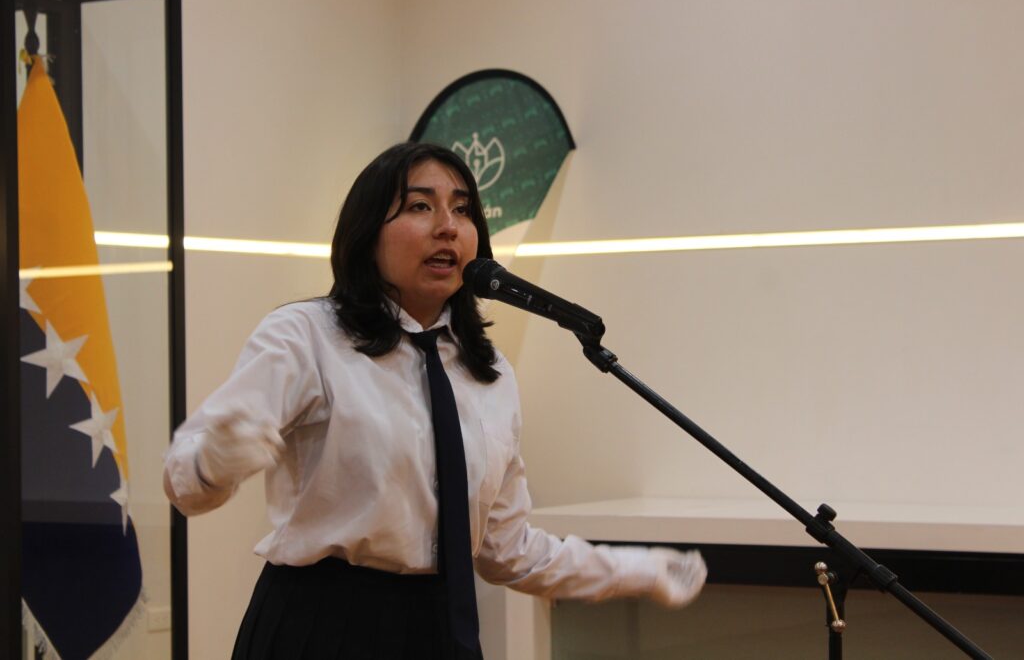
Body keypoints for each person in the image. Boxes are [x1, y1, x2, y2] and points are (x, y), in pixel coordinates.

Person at [163, 142, 706, 659]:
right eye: (420, 206)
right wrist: (217, 458)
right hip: (322, 627)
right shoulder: (306, 335)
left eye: (463, 210)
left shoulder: (488, 372)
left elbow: (507, 550)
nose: (448, 226)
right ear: (366, 233)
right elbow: (184, 484)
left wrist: (633, 571)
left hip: (443, 630)